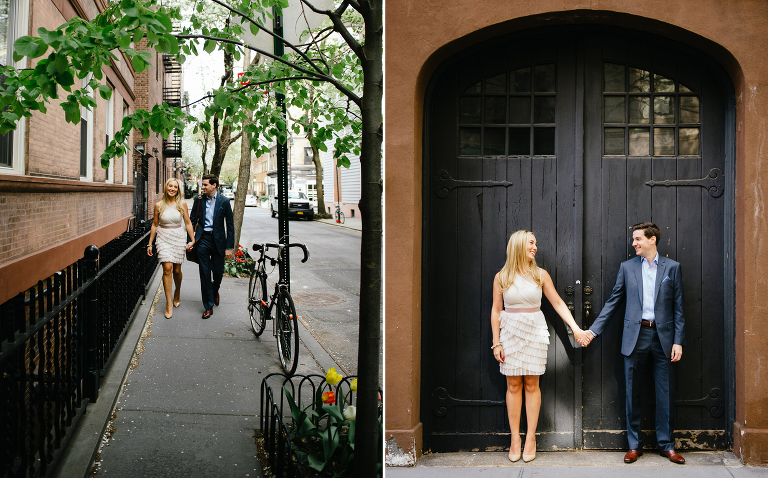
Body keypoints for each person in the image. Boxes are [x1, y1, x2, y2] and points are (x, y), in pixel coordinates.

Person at [580, 222, 686, 465]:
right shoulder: (627, 268)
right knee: (631, 393)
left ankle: (667, 445)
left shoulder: (673, 268)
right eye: (634, 239)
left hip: (663, 339)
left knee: (665, 394)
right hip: (634, 337)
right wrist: (593, 331)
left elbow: (679, 309)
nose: (634, 243)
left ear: (652, 240)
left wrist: (678, 341)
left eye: (638, 239)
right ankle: (633, 445)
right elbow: (613, 301)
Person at [491, 230, 589, 463]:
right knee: (513, 384)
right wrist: (496, 342)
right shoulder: (502, 276)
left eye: (536, 243)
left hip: (535, 331)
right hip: (510, 332)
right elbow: (496, 310)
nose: (535, 247)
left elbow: (557, 302)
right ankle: (515, 438)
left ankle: (531, 438)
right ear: (518, 246)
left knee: (532, 384)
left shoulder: (540, 275)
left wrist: (576, 329)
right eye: (531, 244)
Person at [146, 178, 196, 319]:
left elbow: (187, 222)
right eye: (170, 186)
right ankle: (168, 303)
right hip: (163, 238)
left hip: (178, 237)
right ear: (166, 187)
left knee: (177, 270)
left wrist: (192, 239)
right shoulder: (158, 205)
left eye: (175, 187)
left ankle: (177, 291)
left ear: (178, 189)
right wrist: (150, 243)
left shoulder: (182, 204)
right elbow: (155, 225)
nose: (172, 189)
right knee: (167, 268)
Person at [189, 174, 234, 319]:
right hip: (203, 239)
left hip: (218, 241)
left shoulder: (224, 201)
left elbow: (230, 226)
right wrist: (191, 240)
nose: (202, 187)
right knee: (204, 273)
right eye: (202, 185)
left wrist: (229, 247)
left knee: (219, 272)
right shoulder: (199, 200)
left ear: (214, 185)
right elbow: (191, 220)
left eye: (205, 185)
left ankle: (214, 292)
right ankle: (208, 306)